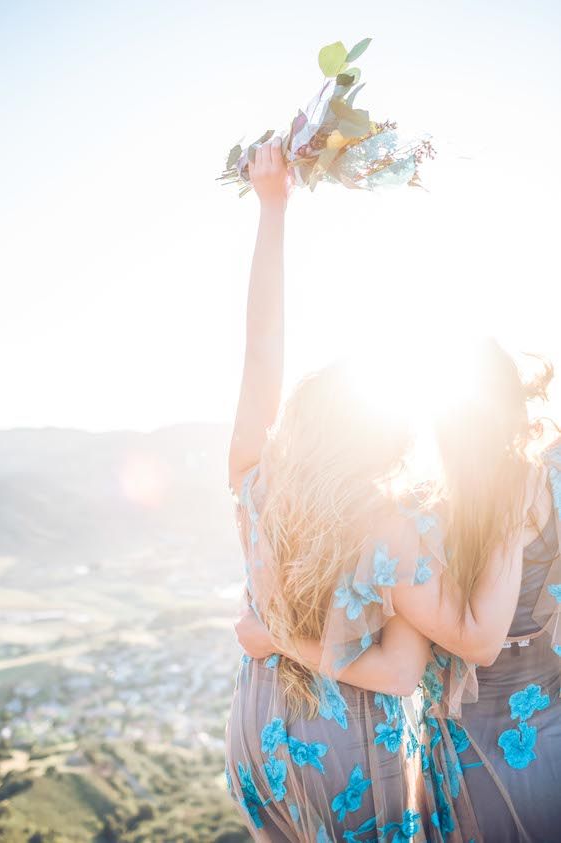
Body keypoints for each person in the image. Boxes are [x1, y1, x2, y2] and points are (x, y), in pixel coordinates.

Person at [225, 139, 540, 842]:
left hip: (256, 735)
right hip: (345, 763)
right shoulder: (392, 523)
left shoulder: (254, 477)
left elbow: (261, 342)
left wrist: (271, 209)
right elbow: (403, 670)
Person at [238, 336, 561, 842]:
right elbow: (412, 666)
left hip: (266, 738)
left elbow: (257, 358)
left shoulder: (263, 490)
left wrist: (272, 635)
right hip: (375, 751)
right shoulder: (404, 521)